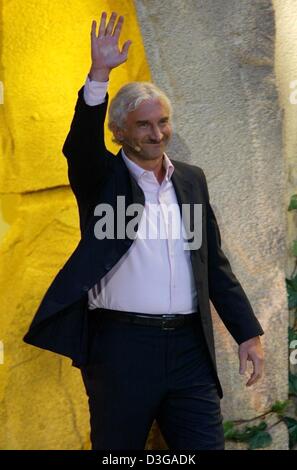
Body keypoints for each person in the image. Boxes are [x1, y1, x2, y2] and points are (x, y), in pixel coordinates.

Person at [24, 11, 264, 450]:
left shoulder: (191, 180)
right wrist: (98, 75)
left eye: (163, 122)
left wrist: (247, 332)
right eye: (144, 124)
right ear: (119, 132)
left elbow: (213, 264)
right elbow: (79, 146)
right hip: (121, 350)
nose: (158, 133)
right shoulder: (103, 181)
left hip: (191, 348)